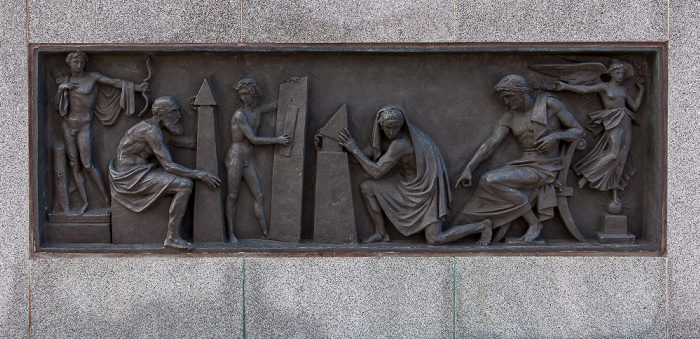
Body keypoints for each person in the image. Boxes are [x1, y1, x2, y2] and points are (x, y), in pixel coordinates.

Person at [455, 75, 584, 244]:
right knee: (486, 181)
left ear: (521, 92)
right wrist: (468, 168)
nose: (507, 102)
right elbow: (491, 144)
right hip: (523, 164)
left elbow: (578, 130)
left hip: (546, 166)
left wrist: (555, 136)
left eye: (509, 96)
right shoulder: (509, 116)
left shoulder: (549, 105)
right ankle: (470, 225)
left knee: (490, 180)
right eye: (504, 98)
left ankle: (534, 223)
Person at [339, 105, 491, 245]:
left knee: (434, 239)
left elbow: (376, 172)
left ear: (402, 125)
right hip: (407, 187)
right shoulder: (399, 139)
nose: (391, 132)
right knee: (367, 187)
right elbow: (368, 157)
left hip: (426, 193)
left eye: (395, 128)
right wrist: (331, 142)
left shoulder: (401, 144)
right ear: (380, 126)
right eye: (387, 128)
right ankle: (381, 233)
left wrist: (353, 148)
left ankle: (481, 226)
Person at [109, 96, 220, 250]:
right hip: (131, 177)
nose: (178, 116)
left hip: (142, 171)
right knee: (184, 185)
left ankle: (173, 237)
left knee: (183, 183)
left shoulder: (158, 130)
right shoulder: (151, 131)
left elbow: (191, 143)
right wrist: (200, 174)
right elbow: (168, 166)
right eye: (173, 112)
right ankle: (172, 238)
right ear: (161, 115)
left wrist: (198, 114)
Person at [55, 51, 148, 214]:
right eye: (75, 61)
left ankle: (106, 200)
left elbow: (114, 82)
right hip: (68, 126)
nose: (78, 64)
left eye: (81, 61)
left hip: (84, 125)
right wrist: (60, 89)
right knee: (73, 165)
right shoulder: (65, 81)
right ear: (69, 63)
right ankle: (85, 203)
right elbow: (56, 106)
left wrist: (137, 88)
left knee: (88, 164)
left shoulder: (92, 78)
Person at [554, 60, 644, 209]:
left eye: (622, 73)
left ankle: (614, 192)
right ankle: (587, 174)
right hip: (612, 121)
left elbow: (634, 106)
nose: (620, 75)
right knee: (614, 154)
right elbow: (585, 90)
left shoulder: (623, 90)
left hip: (625, 121)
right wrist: (566, 86)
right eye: (617, 72)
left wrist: (642, 91)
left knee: (622, 157)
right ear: (611, 73)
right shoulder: (604, 86)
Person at [225, 78, 291, 244]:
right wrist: (277, 140)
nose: (243, 98)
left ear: (254, 93)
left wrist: (291, 85)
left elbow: (277, 103)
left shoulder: (258, 110)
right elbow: (253, 139)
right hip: (236, 157)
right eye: (241, 95)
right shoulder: (240, 115)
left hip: (248, 158)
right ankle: (231, 234)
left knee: (259, 195)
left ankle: (265, 233)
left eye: (246, 93)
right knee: (233, 195)